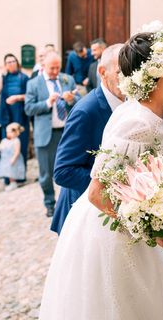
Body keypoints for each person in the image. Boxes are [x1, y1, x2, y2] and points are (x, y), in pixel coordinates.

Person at [39, 31, 163, 319]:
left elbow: (136, 173)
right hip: (111, 235)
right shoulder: (137, 121)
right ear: (161, 68)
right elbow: (98, 192)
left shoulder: (140, 111)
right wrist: (155, 233)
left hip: (126, 229)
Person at [50, 44, 124, 235]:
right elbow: (63, 171)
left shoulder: (128, 103)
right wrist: (114, 185)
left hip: (111, 215)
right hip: (81, 215)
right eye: (120, 72)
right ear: (102, 72)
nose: (128, 78)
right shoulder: (86, 111)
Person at [24, 52, 79, 217]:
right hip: (46, 134)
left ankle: (70, 203)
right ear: (44, 67)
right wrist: (48, 102)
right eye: (52, 68)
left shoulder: (67, 79)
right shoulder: (33, 84)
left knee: (71, 168)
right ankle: (49, 203)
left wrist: (71, 100)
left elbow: (79, 101)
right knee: (46, 173)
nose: (55, 71)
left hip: (67, 132)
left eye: (58, 67)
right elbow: (28, 108)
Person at [0, 54, 30, 170]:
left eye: (13, 61)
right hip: (6, 115)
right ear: (5, 65)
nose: (11, 63)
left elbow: (30, 96)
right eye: (8, 62)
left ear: (17, 62)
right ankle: (8, 176)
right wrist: (0, 75)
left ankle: (20, 175)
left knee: (21, 143)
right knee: (7, 145)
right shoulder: (4, 78)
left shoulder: (24, 77)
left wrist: (17, 98)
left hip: (20, 114)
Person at [0, 122, 26, 191]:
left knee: (12, 172)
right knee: (7, 171)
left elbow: (17, 151)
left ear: (15, 132)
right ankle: (8, 180)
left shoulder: (16, 141)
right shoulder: (5, 140)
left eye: (9, 132)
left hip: (13, 159)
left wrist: (14, 158)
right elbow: (0, 147)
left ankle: (13, 182)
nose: (7, 134)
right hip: (6, 160)